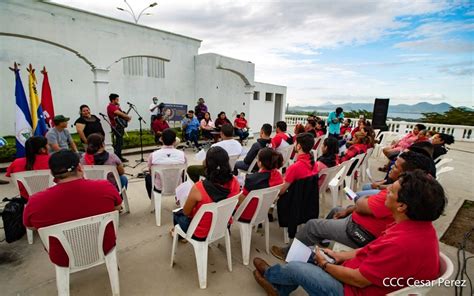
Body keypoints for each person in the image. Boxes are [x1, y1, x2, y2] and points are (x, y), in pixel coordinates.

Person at [254, 170, 446, 296]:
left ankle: (273, 276)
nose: (386, 191)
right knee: (311, 254)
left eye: (391, 191)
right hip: (357, 274)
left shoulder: (402, 244)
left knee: (297, 266)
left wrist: (325, 265)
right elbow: (370, 249)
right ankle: (280, 286)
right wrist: (338, 255)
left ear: (402, 206)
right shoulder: (415, 226)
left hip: (349, 289)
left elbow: (358, 280)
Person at [270, 150, 436, 260]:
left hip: (360, 232)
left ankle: (290, 254)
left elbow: (361, 203)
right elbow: (362, 205)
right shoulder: (405, 191)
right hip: (359, 222)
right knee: (336, 210)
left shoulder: (398, 195)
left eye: (397, 166)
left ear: (407, 173)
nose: (391, 166)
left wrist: (357, 203)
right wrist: (350, 209)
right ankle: (323, 240)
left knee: (312, 225)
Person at [23, 150, 122, 267]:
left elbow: (30, 226)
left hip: (63, 257)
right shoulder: (104, 187)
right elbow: (117, 207)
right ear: (79, 167)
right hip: (105, 246)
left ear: (52, 173)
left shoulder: (36, 201)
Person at [171, 146, 240, 241]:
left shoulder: (199, 188)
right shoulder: (235, 182)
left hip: (201, 233)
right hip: (223, 225)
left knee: (177, 214)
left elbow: (186, 212)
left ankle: (180, 236)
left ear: (207, 164)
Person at [236, 148, 284, 222]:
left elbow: (240, 201)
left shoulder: (252, 179)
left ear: (260, 163)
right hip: (263, 210)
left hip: (247, 214)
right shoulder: (278, 176)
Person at [145, 129, 187, 198]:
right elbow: (184, 172)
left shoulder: (153, 155)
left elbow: (151, 172)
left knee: (148, 177)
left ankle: (154, 199)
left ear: (161, 139)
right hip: (177, 186)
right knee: (184, 175)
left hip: (159, 188)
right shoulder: (182, 155)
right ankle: (179, 198)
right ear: (174, 141)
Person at [6, 136, 50, 201]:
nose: (49, 146)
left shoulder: (16, 163)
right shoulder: (52, 160)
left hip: (27, 199)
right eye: (47, 144)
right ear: (42, 149)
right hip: (49, 196)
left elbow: (9, 175)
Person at [107, 93, 131, 162]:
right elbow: (118, 113)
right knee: (118, 143)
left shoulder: (116, 106)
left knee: (120, 142)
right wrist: (127, 117)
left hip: (120, 126)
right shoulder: (111, 106)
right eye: (117, 99)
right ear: (113, 100)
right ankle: (117, 158)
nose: (118, 100)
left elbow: (121, 113)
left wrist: (126, 117)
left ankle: (119, 156)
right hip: (116, 126)